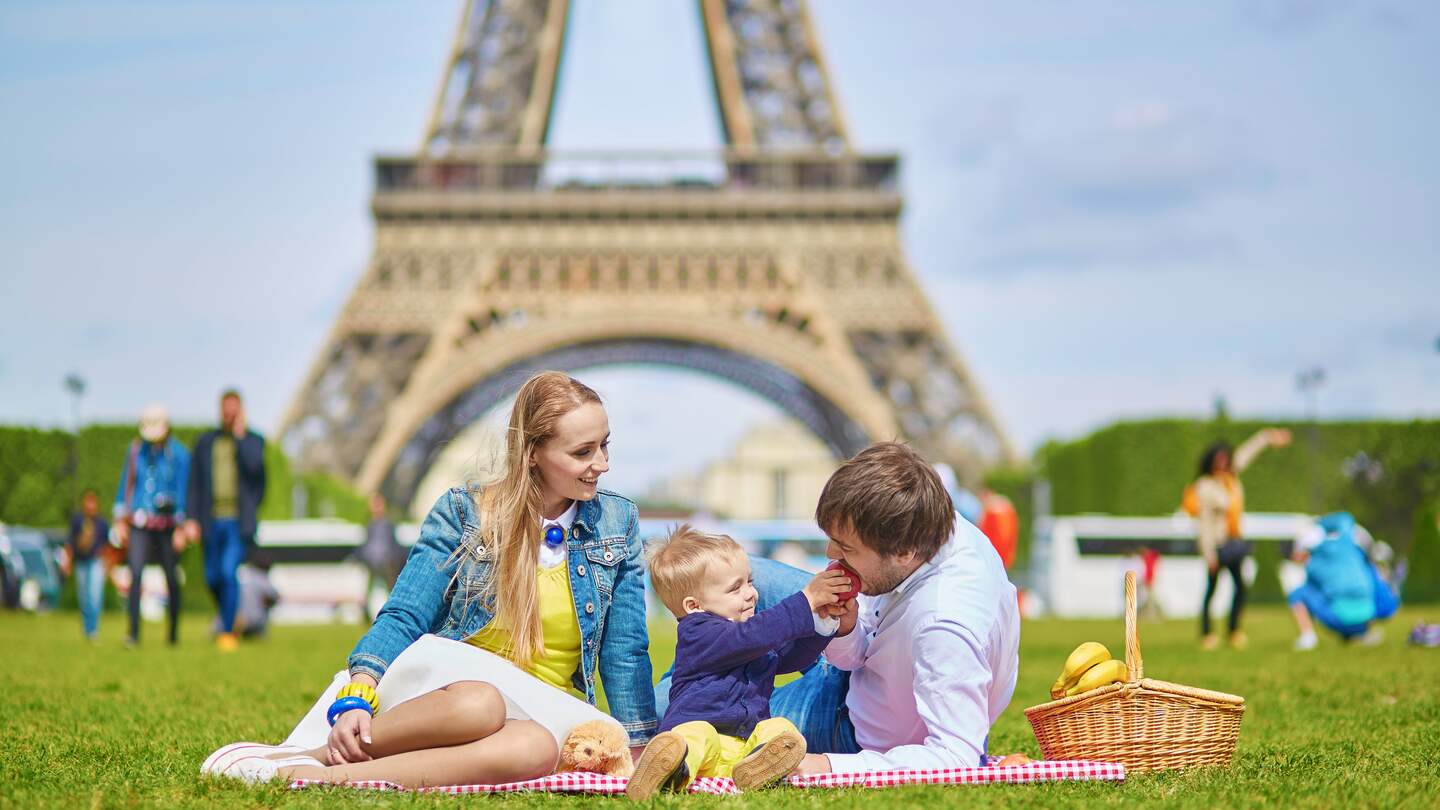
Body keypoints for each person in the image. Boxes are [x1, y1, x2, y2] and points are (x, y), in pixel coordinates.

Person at [203, 371, 656, 786]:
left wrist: (637, 745)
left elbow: (625, 649)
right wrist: (359, 691)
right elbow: (406, 612)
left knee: (536, 748)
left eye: (604, 445)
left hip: (545, 710)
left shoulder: (616, 521)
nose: (602, 463)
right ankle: (319, 754)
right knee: (482, 703)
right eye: (582, 452)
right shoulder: (464, 512)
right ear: (533, 453)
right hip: (451, 696)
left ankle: (327, 777)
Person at [655, 442, 1021, 772]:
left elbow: (958, 757)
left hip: (849, 725)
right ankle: (698, 665)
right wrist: (843, 628)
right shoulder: (931, 523)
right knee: (724, 571)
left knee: (677, 711)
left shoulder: (944, 625)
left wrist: (826, 764)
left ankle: (673, 709)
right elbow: (859, 652)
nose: (831, 555)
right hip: (862, 678)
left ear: (904, 551)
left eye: (845, 548)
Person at [626, 526, 849, 799]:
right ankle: (673, 768)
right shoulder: (699, 632)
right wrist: (805, 602)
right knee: (696, 734)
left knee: (779, 728)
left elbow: (789, 657)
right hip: (707, 743)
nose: (751, 594)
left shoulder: (743, 634)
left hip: (743, 746)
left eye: (750, 582)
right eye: (735, 588)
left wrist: (823, 624)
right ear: (694, 606)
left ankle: (760, 766)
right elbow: (754, 635)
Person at [1182, 428, 1291, 650]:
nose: (1223, 463)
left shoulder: (1231, 479)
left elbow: (1246, 453)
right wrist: (1209, 554)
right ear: (1211, 461)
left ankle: (1234, 631)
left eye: (1225, 458)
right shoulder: (1205, 485)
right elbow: (1204, 524)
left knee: (1240, 588)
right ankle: (1207, 633)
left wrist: (1267, 437)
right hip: (1218, 545)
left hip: (1235, 543)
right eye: (1218, 459)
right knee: (1211, 590)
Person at [185, 389, 267, 652]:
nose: (230, 414)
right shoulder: (206, 443)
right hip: (211, 520)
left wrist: (241, 437)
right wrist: (191, 519)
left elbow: (256, 472)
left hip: (236, 521)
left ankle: (227, 630)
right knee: (211, 576)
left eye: (234, 409)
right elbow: (195, 483)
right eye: (226, 409)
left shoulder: (253, 441)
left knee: (227, 571)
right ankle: (232, 616)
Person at [113, 404, 190, 647]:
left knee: (171, 577)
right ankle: (133, 633)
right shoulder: (135, 451)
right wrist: (120, 519)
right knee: (135, 575)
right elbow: (126, 485)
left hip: (168, 526)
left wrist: (182, 526)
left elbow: (183, 490)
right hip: (140, 523)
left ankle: (173, 634)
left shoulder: (179, 454)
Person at [1287, 512, 1399, 650]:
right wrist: (1321, 522)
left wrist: (1314, 525)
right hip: (1369, 616)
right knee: (1369, 580)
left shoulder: (1313, 565)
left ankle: (1308, 637)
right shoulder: (1349, 546)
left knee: (1298, 594)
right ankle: (1363, 633)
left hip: (1338, 620)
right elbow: (1346, 518)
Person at [63, 489, 110, 641]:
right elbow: (70, 543)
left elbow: (107, 546)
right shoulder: (77, 521)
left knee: (95, 596)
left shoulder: (102, 523)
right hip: (81, 562)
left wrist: (109, 566)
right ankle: (87, 629)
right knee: (84, 597)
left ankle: (93, 629)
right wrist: (67, 562)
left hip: (96, 562)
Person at [357, 492, 406, 613]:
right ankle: (366, 612)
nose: (375, 506)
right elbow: (365, 545)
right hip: (372, 563)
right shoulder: (369, 525)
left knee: (391, 589)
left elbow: (394, 544)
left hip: (387, 562)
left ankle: (393, 611)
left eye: (377, 503)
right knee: (368, 590)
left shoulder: (388, 524)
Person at [234, 550, 280, 639]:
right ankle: (259, 634)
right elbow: (276, 597)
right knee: (266, 604)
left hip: (234, 618)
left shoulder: (240, 573)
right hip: (254, 621)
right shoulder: (262, 578)